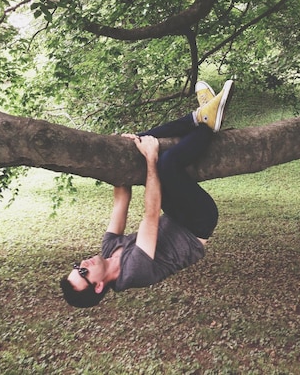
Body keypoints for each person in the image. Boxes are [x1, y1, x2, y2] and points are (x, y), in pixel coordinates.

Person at [60, 80, 234, 308]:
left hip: (175, 214)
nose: (83, 263)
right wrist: (150, 159)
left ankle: (198, 117)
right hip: (198, 222)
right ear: (98, 286)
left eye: (77, 266)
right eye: (83, 272)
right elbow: (151, 215)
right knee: (165, 164)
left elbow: (120, 201)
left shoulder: (108, 249)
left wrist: (121, 153)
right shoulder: (134, 273)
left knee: (137, 143)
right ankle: (205, 126)